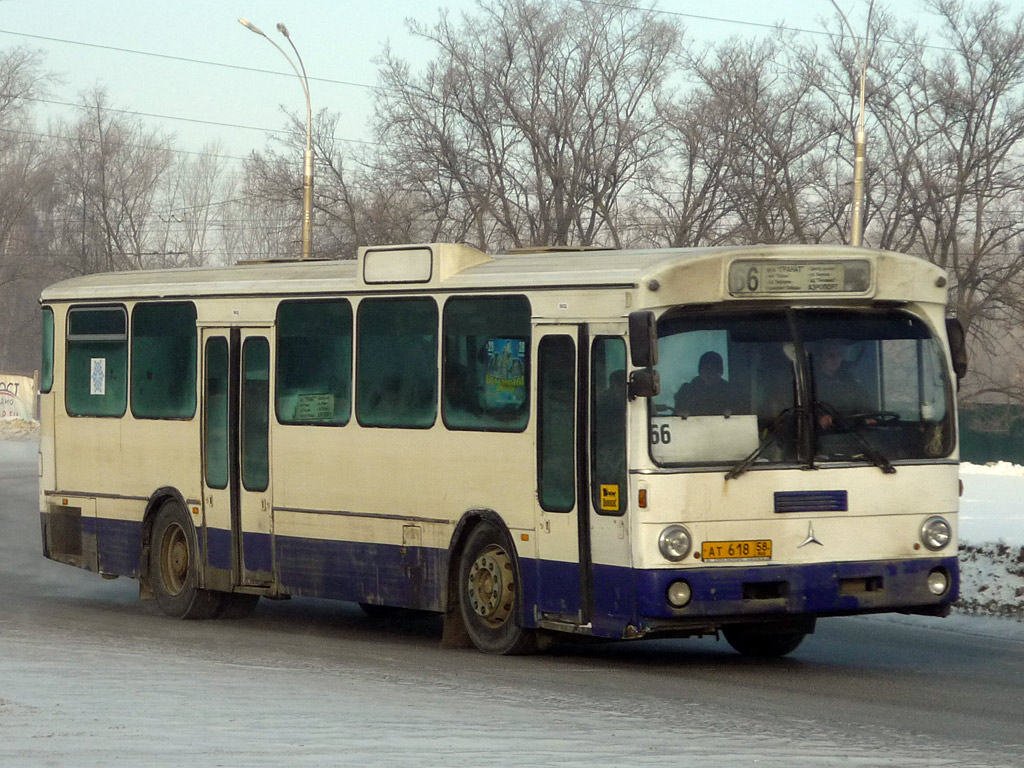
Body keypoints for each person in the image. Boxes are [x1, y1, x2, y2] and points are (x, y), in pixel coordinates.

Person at [812, 339, 872, 428]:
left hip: (853, 435)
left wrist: (869, 419)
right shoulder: (809, 382)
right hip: (820, 437)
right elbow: (803, 414)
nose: (835, 359)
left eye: (839, 355)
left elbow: (866, 408)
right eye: (831, 355)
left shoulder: (850, 382)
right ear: (820, 355)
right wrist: (819, 420)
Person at [674, 351, 741, 416]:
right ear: (700, 371)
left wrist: (732, 413)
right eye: (706, 370)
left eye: (714, 370)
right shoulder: (687, 391)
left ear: (721, 372)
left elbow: (742, 416)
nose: (710, 374)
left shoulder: (731, 392)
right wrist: (681, 414)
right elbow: (675, 417)